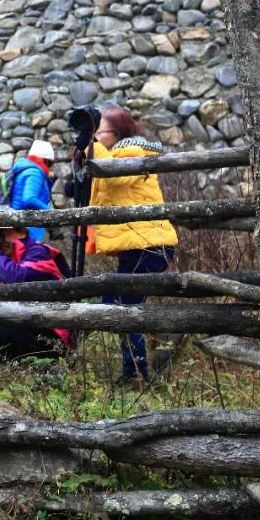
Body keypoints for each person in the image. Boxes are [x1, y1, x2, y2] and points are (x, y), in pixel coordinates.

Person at [89, 107, 178, 383]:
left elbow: (115, 176)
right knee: (119, 303)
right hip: (138, 244)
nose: (95, 136)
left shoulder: (132, 153)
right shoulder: (115, 154)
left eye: (99, 131)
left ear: (117, 134)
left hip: (149, 244)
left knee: (121, 305)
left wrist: (91, 148)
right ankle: (164, 336)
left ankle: (138, 370)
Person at [0, 216, 76, 359]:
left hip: (52, 331)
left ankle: (50, 370)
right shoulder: (2, 258)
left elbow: (20, 279)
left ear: (21, 232)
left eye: (4, 233)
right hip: (26, 322)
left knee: (2, 334)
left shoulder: (37, 252)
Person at [7, 139, 55, 243]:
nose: (49, 168)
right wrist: (50, 211)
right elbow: (29, 198)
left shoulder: (24, 169)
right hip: (28, 228)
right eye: (50, 164)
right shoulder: (35, 172)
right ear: (45, 160)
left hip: (19, 224)